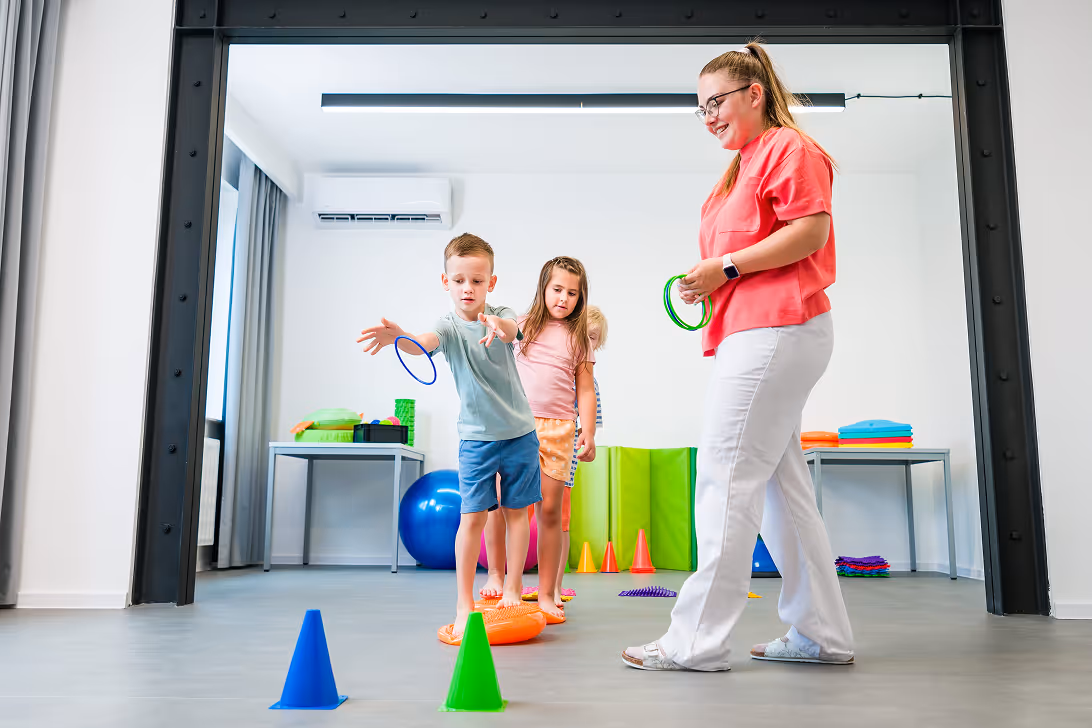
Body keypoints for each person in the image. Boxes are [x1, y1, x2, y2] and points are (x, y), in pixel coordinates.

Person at [622, 42, 854, 671]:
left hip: (778, 329)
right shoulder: (741, 167)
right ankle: (821, 634)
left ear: (754, 93)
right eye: (700, 109)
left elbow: (810, 230)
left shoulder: (788, 147)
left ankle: (694, 641)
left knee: (724, 477)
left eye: (716, 101)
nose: (709, 117)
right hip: (759, 334)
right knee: (782, 492)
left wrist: (722, 267)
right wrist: (711, 277)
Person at [357, 233, 540, 639]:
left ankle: (512, 585)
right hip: (476, 439)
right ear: (446, 282)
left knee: (516, 514)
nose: (468, 288)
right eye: (459, 280)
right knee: (472, 516)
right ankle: (464, 603)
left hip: (520, 433)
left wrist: (498, 324)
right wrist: (400, 339)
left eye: (477, 281)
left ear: (491, 283)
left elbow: (514, 330)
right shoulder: (448, 326)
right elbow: (424, 345)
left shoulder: (502, 312)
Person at [479, 305, 607, 603]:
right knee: (502, 504)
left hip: (560, 452)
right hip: (521, 434)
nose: (583, 338)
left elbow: (587, 421)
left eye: (592, 336)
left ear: (596, 343)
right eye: (582, 332)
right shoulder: (533, 355)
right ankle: (499, 574)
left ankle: (554, 585)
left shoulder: (587, 379)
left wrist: (586, 438)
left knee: (556, 518)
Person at [515, 256, 598, 621]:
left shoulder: (578, 337)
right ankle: (511, 587)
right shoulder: (522, 326)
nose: (564, 298)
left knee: (549, 511)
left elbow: (586, 391)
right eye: (557, 290)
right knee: (514, 510)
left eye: (572, 293)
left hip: (560, 428)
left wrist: (589, 431)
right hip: (518, 425)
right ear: (543, 288)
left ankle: (547, 592)